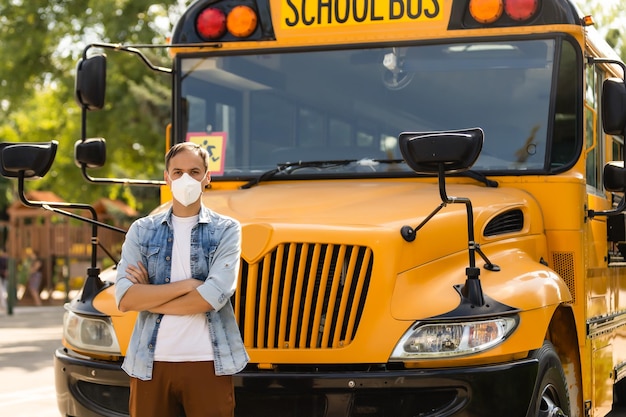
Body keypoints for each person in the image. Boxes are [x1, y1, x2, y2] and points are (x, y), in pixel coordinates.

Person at [115, 142, 248, 417]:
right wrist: (188, 286)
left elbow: (215, 295)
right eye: (177, 172)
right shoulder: (142, 230)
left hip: (208, 362)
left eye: (194, 171)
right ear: (167, 178)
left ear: (207, 178)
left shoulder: (226, 230)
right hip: (149, 363)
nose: (185, 179)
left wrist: (149, 295)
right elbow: (126, 298)